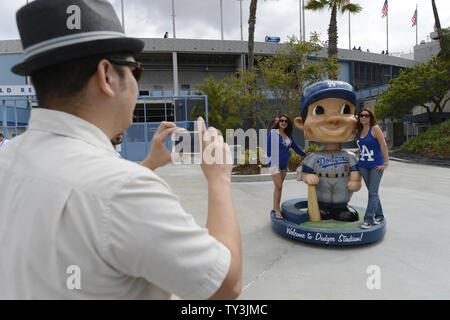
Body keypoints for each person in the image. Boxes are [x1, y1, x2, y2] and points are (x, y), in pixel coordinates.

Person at [0, 0, 242, 300]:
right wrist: (220, 179)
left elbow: (85, 193)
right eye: (135, 71)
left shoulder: (8, 158)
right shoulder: (128, 190)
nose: (137, 86)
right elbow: (224, 284)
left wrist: (149, 163)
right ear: (106, 76)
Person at [295, 80, 362, 222]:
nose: (333, 119)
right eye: (319, 111)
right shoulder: (314, 156)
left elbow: (355, 170)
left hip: (342, 187)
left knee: (344, 211)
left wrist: (356, 179)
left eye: (345, 110)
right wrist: (307, 177)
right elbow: (305, 171)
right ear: (301, 123)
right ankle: (323, 207)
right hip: (322, 188)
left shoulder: (349, 156)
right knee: (322, 209)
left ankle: (341, 208)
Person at [267, 114, 306, 219]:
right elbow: (269, 149)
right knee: (278, 185)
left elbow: (295, 147)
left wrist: (306, 155)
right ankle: (276, 210)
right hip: (274, 163)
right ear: (278, 122)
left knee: (278, 188)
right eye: (281, 120)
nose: (283, 122)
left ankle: (276, 207)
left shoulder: (288, 136)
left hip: (284, 163)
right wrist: (270, 163)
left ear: (288, 124)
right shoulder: (273, 133)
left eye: (286, 121)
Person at [356, 108, 388, 229]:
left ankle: (368, 220)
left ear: (371, 117)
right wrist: (357, 151)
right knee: (373, 193)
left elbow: (383, 145)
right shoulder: (360, 130)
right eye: (361, 116)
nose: (364, 117)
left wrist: (386, 163)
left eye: (366, 115)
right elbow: (365, 146)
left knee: (372, 193)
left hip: (376, 166)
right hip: (363, 165)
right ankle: (379, 215)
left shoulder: (375, 128)